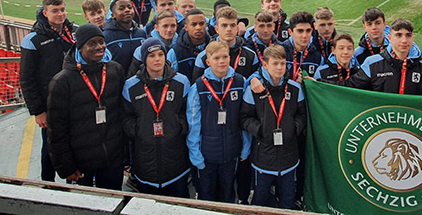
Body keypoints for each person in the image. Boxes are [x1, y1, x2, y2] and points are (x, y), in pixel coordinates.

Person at [47, 24, 125, 190]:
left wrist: (124, 155)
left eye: (101, 41)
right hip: (81, 162)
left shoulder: (115, 70)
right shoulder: (62, 82)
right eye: (92, 43)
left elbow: (122, 114)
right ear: (80, 47)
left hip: (112, 158)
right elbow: (56, 130)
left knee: (113, 200)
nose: (99, 47)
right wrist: (66, 167)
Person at [240, 44, 306, 209]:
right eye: (275, 64)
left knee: (288, 200)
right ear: (265, 65)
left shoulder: (295, 89)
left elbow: (302, 115)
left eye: (282, 64)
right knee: (260, 199)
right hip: (263, 158)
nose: (279, 67)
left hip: (289, 157)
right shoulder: (254, 90)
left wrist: (293, 128)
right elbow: (244, 117)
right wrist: (260, 130)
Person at [122, 38, 191, 197]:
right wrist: (139, 129)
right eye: (151, 55)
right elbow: (125, 116)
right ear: (144, 58)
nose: (157, 59)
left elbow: (187, 113)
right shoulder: (131, 86)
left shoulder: (181, 82)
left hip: (175, 161)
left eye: (161, 54)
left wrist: (177, 126)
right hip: (146, 163)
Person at [20, 0, 77, 182]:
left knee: (73, 142)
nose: (60, 14)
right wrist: (38, 111)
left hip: (73, 100)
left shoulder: (72, 32)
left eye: (62, 9)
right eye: (55, 10)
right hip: (49, 104)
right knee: (51, 146)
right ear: (45, 13)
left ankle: (73, 178)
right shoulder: (33, 39)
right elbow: (27, 79)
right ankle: (48, 182)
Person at [186, 41, 250, 203]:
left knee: (228, 192)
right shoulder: (198, 87)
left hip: (232, 151)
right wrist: (196, 155)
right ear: (208, 62)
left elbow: (245, 117)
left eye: (225, 57)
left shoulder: (241, 82)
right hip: (206, 155)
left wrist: (245, 147)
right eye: (216, 58)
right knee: (207, 194)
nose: (222, 61)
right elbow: (193, 123)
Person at [192, 6, 258, 82]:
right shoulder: (204, 56)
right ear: (217, 29)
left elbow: (255, 80)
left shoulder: (250, 55)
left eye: (232, 25)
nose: (229, 29)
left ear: (237, 28)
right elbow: (197, 84)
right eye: (224, 25)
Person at [127, 11, 179, 78]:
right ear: (156, 27)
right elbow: (132, 76)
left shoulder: (179, 47)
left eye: (173, 26)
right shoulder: (141, 49)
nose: (169, 29)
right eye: (165, 26)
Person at [103, 0, 147, 74]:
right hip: (116, 81)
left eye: (129, 7)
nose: (127, 10)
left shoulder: (141, 34)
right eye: (121, 8)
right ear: (113, 15)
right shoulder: (106, 36)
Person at [167, 9, 211, 82]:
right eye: (193, 24)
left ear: (205, 25)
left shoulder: (213, 48)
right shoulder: (175, 52)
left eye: (201, 24)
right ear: (186, 27)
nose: (198, 28)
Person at [282, 11, 324, 80]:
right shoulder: (280, 52)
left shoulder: (318, 57)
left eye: (308, 31)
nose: (305, 36)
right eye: (300, 31)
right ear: (290, 32)